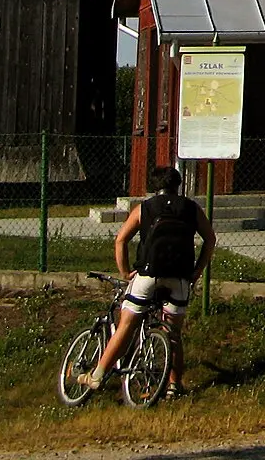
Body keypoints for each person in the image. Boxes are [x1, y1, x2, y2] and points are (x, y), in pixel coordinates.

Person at [86, 165, 216, 398]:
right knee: (174, 333)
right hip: (180, 278)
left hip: (148, 274)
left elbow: (121, 241)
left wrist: (126, 272)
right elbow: (210, 240)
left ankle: (97, 374)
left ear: (153, 187)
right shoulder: (191, 208)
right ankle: (174, 386)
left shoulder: (143, 208)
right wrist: (196, 272)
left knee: (126, 324)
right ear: (178, 186)